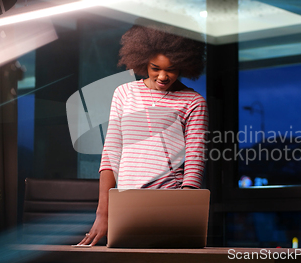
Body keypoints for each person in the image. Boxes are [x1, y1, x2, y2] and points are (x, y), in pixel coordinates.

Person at [78, 23, 208, 246]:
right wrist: (103, 212)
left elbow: (195, 160)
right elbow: (111, 153)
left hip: (171, 202)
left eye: (172, 69)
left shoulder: (193, 102)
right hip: (126, 202)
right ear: (142, 59)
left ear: (185, 64)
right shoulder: (124, 94)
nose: (163, 76)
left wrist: (187, 214)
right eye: (155, 67)